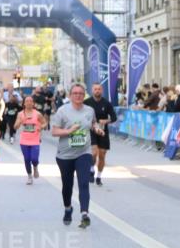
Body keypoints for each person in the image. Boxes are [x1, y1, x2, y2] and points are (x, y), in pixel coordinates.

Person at [51, 84, 104, 228]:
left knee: (83, 183)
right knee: (67, 186)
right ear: (70, 95)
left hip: (84, 152)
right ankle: (68, 208)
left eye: (81, 93)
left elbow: (93, 124)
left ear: (84, 95)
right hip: (65, 155)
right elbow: (54, 131)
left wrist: (97, 129)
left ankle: (84, 214)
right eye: (75, 93)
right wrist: (68, 131)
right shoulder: (62, 111)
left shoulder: (89, 110)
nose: (78, 96)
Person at [84, 83, 117, 187]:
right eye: (95, 89)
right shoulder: (87, 102)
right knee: (94, 153)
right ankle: (91, 169)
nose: (97, 91)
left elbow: (114, 117)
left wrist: (105, 121)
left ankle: (99, 176)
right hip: (91, 131)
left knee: (102, 155)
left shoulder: (106, 103)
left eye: (99, 89)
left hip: (103, 132)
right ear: (92, 90)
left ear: (101, 90)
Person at [15, 94, 46, 185]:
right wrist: (20, 121)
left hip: (35, 140)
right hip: (24, 140)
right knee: (27, 159)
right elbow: (15, 127)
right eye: (27, 101)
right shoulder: (20, 114)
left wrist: (41, 127)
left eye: (30, 101)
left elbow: (44, 123)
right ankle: (29, 176)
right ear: (24, 103)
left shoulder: (38, 114)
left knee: (34, 158)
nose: (29, 103)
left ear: (33, 103)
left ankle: (35, 167)